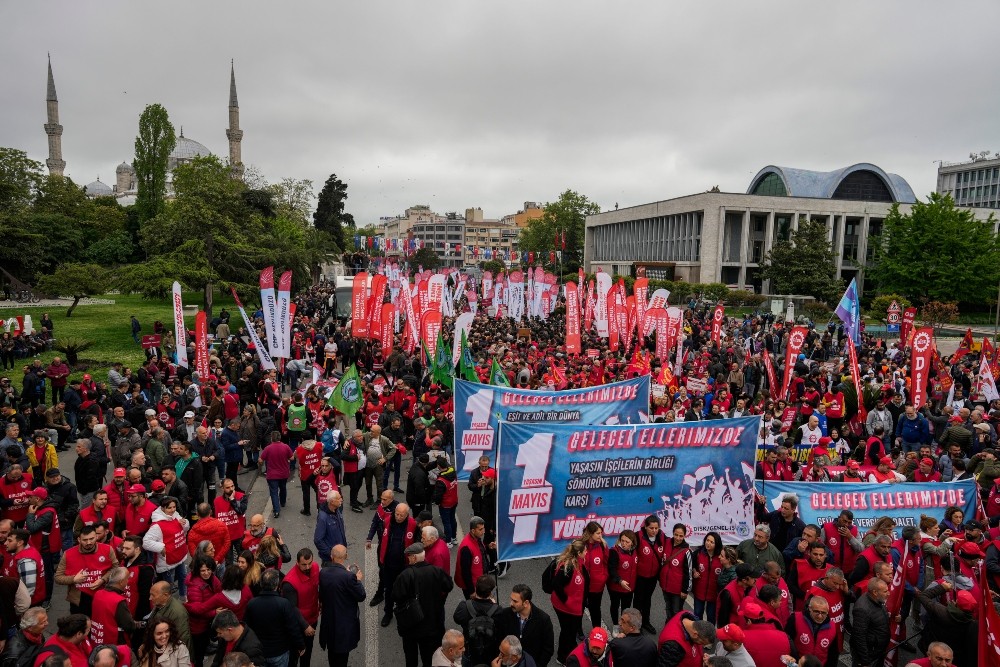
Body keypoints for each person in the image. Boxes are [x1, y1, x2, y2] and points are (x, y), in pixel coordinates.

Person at [391, 543, 454, 667]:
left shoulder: (405, 575)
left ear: (414, 557)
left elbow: (396, 596)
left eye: (409, 557)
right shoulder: (436, 571)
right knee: (429, 659)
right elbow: (448, 586)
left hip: (411, 625)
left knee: (411, 657)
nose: (408, 559)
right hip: (432, 625)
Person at [244, 569, 306, 667]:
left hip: (260, 651)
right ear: (277, 585)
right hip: (279, 652)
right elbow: (292, 628)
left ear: (261, 584)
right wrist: (300, 645)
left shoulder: (252, 603)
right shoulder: (283, 604)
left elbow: (247, 627)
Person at [318, 544, 365, 667]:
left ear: (331, 556)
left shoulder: (323, 572)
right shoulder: (349, 577)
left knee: (332, 655)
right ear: (346, 556)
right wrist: (358, 580)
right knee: (342, 659)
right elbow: (361, 596)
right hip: (343, 626)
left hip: (329, 622)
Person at [494, 583, 553, 666]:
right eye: (511, 599)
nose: (511, 603)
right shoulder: (504, 614)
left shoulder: (543, 620)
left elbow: (548, 649)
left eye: (515, 601)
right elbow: (498, 639)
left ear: (526, 603)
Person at [549, 540, 588, 664]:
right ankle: (564, 657)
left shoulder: (577, 562)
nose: (587, 552)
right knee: (568, 632)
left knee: (568, 630)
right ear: (579, 553)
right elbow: (556, 584)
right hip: (565, 607)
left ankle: (566, 654)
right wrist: (568, 601)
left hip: (571, 606)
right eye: (585, 550)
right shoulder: (569, 566)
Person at [141, 497, 189, 598]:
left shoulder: (175, 516)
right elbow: (146, 542)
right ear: (163, 508)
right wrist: (161, 547)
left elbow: (184, 530)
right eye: (169, 508)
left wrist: (185, 523)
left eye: (174, 507)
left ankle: (183, 597)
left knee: (183, 577)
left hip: (179, 556)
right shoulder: (157, 526)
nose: (172, 510)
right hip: (168, 561)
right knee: (169, 585)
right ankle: (169, 603)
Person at [452, 574, 501, 667]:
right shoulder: (498, 611)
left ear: (476, 588)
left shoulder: (464, 606)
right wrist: (495, 605)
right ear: (490, 593)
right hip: (490, 653)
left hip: (469, 650)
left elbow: (457, 619)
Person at [90, 567, 143, 646]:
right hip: (114, 644)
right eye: (127, 579)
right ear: (121, 582)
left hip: (97, 640)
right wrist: (140, 624)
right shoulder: (119, 601)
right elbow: (128, 626)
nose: (128, 581)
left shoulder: (98, 594)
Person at [634, 515, 667, 634]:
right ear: (645, 527)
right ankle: (636, 626)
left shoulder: (662, 537)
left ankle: (646, 622)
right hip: (640, 576)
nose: (654, 531)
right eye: (651, 528)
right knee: (638, 601)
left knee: (647, 600)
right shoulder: (638, 536)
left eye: (656, 528)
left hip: (653, 576)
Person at [849, 577, 889, 667]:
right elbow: (859, 637)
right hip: (869, 653)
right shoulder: (862, 609)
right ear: (875, 592)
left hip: (877, 650)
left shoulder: (877, 599)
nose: (888, 593)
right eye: (885, 591)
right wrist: (865, 661)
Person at [456, 515, 493, 599]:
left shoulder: (476, 538)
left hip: (480, 582)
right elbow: (465, 572)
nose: (483, 531)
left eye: (483, 528)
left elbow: (478, 551)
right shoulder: (466, 548)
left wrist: (488, 547)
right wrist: (471, 591)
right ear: (473, 530)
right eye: (480, 529)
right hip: (474, 586)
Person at [259, 433, 293, 519]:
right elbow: (292, 458)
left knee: (273, 492)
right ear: (280, 438)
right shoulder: (285, 447)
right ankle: (283, 502)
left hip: (272, 474)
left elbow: (261, 460)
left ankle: (276, 510)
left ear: (272, 438)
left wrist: (261, 462)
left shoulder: (268, 448)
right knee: (283, 487)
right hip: (284, 473)